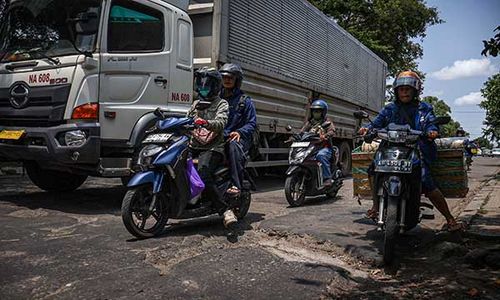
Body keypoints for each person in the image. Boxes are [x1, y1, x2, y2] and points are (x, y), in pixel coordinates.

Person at [358, 70, 463, 231]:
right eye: (401, 89)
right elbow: (375, 124)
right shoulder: (390, 109)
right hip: (390, 149)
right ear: (396, 91)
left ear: (415, 90)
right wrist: (367, 130)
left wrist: (432, 131)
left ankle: (450, 219)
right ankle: (375, 206)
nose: (404, 91)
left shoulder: (424, 108)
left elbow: (430, 124)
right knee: (373, 171)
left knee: (426, 182)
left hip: (415, 150)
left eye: (408, 89)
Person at [187, 67, 235, 228]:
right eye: (200, 84)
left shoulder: (222, 104)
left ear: (215, 86)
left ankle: (225, 211)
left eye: (207, 85)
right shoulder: (195, 104)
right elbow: (187, 120)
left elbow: (221, 122)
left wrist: (206, 123)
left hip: (213, 148)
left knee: (203, 174)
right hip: (194, 144)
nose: (203, 87)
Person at [219, 63, 257, 196]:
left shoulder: (245, 100)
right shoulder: (215, 99)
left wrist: (239, 132)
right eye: (224, 77)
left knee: (233, 146)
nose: (227, 80)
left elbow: (252, 123)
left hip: (238, 138)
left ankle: (236, 185)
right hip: (217, 137)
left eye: (231, 77)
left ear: (237, 80)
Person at [300, 99, 336, 187]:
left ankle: (327, 178)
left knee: (321, 156)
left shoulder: (327, 122)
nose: (316, 113)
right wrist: (294, 137)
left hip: (324, 148)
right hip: (311, 148)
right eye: (314, 111)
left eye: (318, 111)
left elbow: (332, 131)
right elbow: (302, 132)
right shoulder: (310, 123)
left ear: (323, 112)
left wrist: (326, 135)